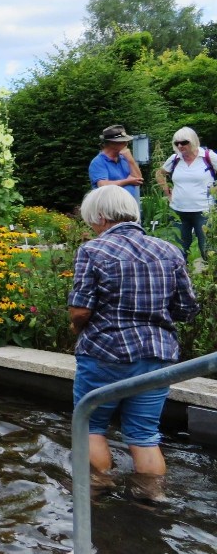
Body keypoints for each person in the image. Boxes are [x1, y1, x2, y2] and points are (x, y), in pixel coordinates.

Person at [68, 185, 199, 502]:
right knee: (143, 434)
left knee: (91, 425)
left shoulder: (94, 251)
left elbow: (81, 309)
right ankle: (151, 501)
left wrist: (76, 326)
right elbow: (187, 309)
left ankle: (99, 492)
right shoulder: (168, 251)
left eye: (91, 221)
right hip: (156, 357)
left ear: (100, 217)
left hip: (105, 353)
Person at [155, 127, 215, 261]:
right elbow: (159, 173)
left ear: (193, 141)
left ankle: (211, 279)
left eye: (184, 142)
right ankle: (181, 278)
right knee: (178, 250)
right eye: (177, 143)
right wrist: (167, 191)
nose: (180, 146)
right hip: (178, 211)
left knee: (208, 249)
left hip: (204, 211)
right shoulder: (175, 159)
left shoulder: (208, 156)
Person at [88, 125, 143, 200]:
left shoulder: (125, 158)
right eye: (123, 141)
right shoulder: (98, 162)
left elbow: (138, 178)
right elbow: (103, 185)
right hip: (110, 207)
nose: (126, 144)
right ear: (112, 143)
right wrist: (128, 181)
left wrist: (130, 160)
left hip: (130, 206)